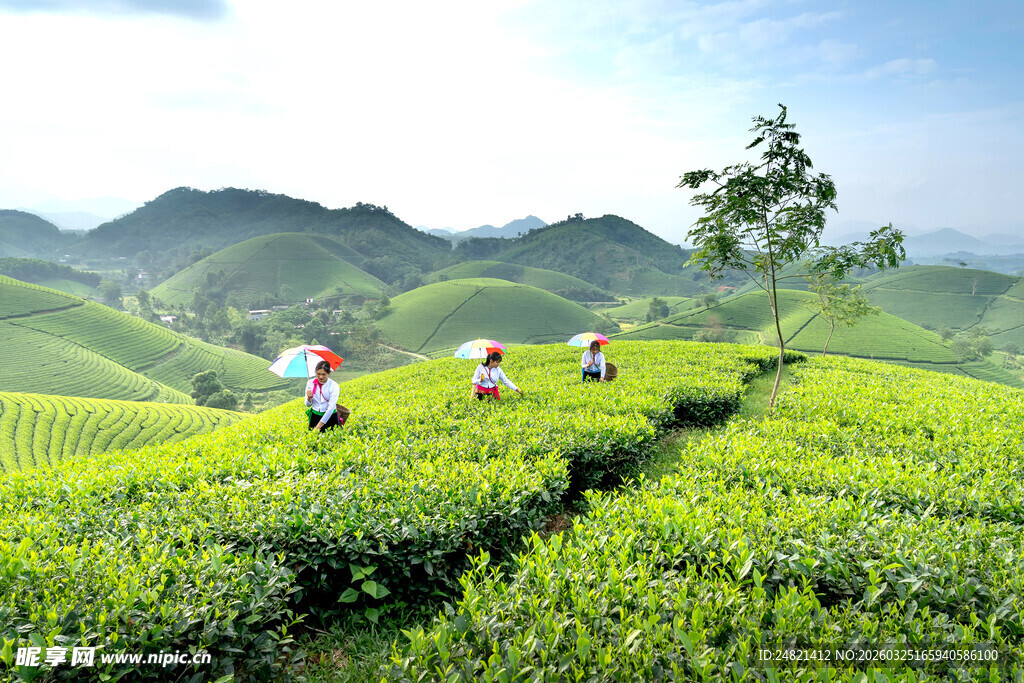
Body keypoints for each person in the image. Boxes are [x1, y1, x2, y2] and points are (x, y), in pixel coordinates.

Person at [305, 360, 343, 430]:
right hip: (315, 416)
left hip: (330, 417)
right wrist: (308, 398)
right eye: (318, 374)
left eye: (323, 374)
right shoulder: (310, 383)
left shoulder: (334, 385)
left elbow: (331, 408)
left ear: (329, 372)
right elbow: (307, 405)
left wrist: (318, 427)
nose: (320, 377)